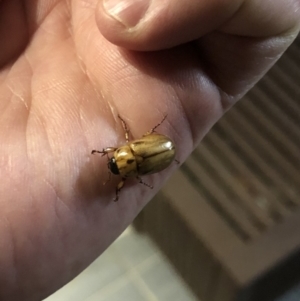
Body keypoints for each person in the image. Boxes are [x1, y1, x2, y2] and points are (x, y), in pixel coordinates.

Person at [0, 0, 299, 299]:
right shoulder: (131, 159)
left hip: (161, 149)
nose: (114, 156)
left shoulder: (131, 162)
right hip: (160, 150)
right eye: (115, 157)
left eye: (114, 155)